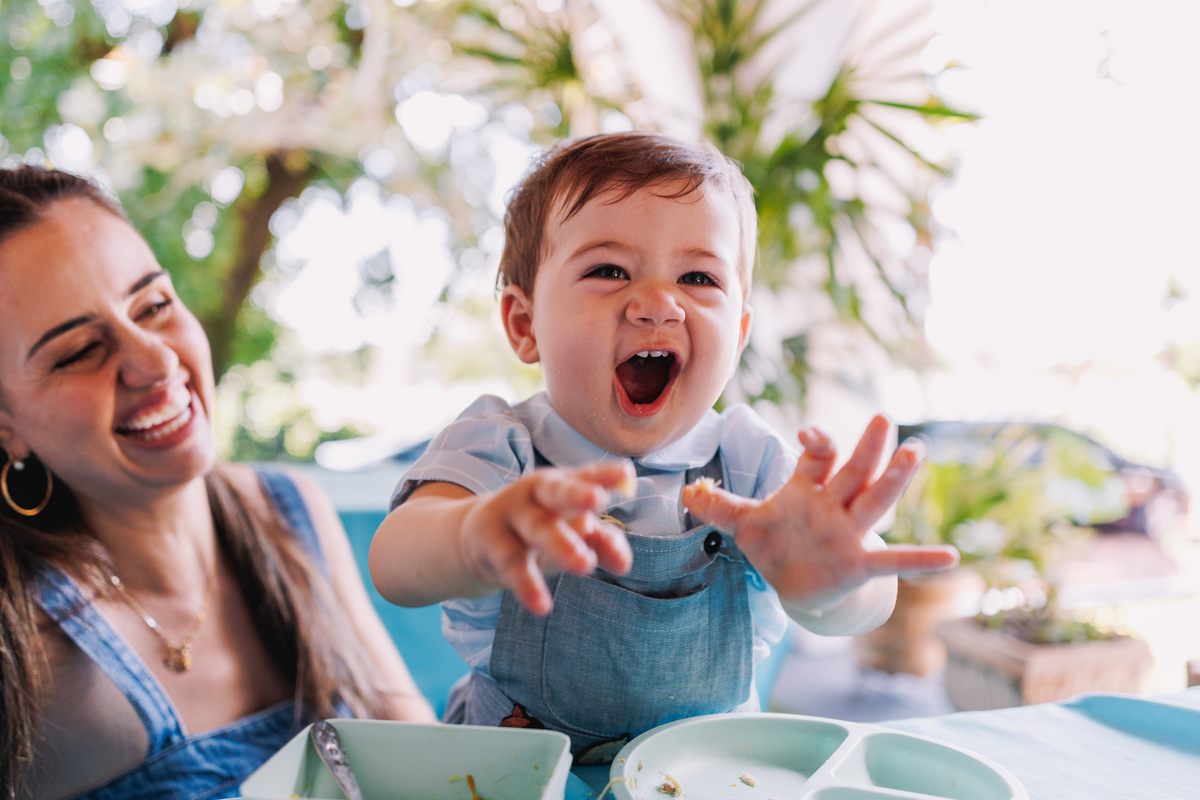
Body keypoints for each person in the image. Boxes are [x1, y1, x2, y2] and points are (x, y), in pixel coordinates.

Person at [368, 133, 958, 762]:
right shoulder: (500, 443)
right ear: (524, 322)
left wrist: (832, 588)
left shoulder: (750, 462)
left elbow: (859, 603)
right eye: (608, 270)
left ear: (738, 332)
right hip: (505, 775)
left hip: (709, 775)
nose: (657, 303)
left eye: (698, 276)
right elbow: (395, 562)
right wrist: (472, 535)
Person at [0, 165, 436, 800]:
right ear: (6, 426)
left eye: (153, 304)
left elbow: (431, 766)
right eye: (77, 352)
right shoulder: (24, 646)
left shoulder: (291, 513)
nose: (154, 361)